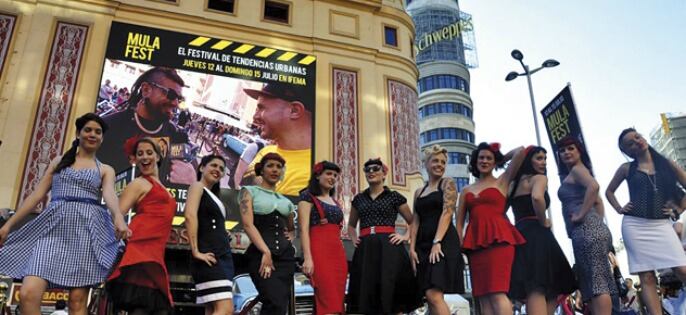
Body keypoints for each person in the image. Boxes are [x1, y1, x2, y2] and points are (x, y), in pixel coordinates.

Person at [0, 113, 129, 315]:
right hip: (52, 231)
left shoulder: (105, 169)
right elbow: (36, 196)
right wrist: (8, 225)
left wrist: (118, 218)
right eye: (88, 130)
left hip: (86, 235)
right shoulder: (59, 162)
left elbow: (110, 195)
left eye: (98, 132)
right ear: (78, 133)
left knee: (77, 303)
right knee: (28, 293)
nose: (92, 134)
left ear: (102, 138)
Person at [605, 128, 686, 315]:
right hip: (635, 225)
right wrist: (618, 208)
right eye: (630, 143)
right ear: (628, 151)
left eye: (637, 137)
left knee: (681, 269)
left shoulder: (666, 164)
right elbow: (609, 191)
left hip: (662, 224)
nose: (637, 141)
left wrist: (679, 209)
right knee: (647, 276)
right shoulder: (627, 169)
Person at [107, 137, 176, 314]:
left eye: (149, 152)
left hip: (155, 252)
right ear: (135, 160)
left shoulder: (161, 186)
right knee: (142, 307)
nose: (145, 157)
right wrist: (122, 228)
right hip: (140, 250)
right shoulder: (138, 183)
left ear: (158, 157)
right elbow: (116, 213)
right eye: (140, 154)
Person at [456, 142, 526, 315]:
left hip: (500, 240)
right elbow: (458, 222)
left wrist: (500, 157)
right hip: (475, 244)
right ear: (475, 161)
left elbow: (520, 151)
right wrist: (459, 245)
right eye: (481, 157)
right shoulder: (466, 190)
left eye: (489, 158)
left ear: (494, 162)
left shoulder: (503, 181)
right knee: (482, 296)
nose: (485, 161)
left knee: (497, 292)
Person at [347, 158, 422, 314]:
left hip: (390, 249)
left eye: (375, 169)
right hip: (366, 249)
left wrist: (405, 236)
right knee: (367, 292)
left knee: (392, 291)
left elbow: (413, 221)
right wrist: (354, 239)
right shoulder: (358, 199)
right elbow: (351, 225)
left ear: (384, 174)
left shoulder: (394, 196)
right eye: (367, 169)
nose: (371, 172)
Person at [508, 146, 577, 315]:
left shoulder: (513, 185)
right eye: (539, 158)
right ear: (528, 160)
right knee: (539, 285)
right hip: (538, 233)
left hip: (519, 235)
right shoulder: (539, 178)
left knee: (541, 284)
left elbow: (502, 208)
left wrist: (502, 159)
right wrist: (543, 219)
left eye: (545, 158)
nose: (544, 162)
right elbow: (537, 197)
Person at [99, 67, 195, 185]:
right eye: (171, 94)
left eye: (178, 98)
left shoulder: (175, 135)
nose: (175, 103)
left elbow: (179, 170)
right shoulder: (108, 127)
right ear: (146, 90)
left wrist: (189, 180)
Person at [557, 136, 616, 315]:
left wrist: (582, 215)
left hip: (587, 229)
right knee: (594, 280)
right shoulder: (576, 172)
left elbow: (594, 186)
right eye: (562, 150)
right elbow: (598, 202)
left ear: (579, 151)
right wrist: (595, 221)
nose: (566, 152)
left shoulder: (577, 170)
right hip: (590, 229)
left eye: (571, 148)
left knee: (597, 282)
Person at [238, 152, 296, 315]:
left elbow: (291, 228)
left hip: (285, 259)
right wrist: (266, 251)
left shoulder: (287, 202)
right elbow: (248, 224)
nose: (275, 169)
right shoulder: (248, 191)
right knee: (272, 300)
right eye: (270, 165)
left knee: (280, 306)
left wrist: (291, 236)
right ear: (261, 170)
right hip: (260, 254)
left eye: (279, 167)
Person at [411, 145, 465, 315]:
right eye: (435, 160)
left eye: (443, 162)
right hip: (423, 247)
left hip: (442, 243)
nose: (439, 165)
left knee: (434, 294)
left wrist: (437, 241)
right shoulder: (419, 191)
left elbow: (448, 212)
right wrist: (412, 249)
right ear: (426, 164)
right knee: (429, 296)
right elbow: (415, 221)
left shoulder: (447, 183)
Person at [239, 83, 313, 196]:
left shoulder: (309, 175)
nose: (255, 117)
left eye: (261, 108)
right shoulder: (267, 151)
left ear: (294, 111)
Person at [183, 155, 234, 315]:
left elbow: (206, 220)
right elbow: (189, 216)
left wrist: (223, 231)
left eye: (221, 168)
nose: (217, 170)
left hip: (221, 256)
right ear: (201, 167)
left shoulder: (214, 196)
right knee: (225, 309)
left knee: (212, 309)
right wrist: (195, 251)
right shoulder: (198, 186)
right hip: (210, 256)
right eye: (213, 165)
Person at [298, 161, 347, 315]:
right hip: (319, 254)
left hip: (338, 254)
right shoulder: (307, 196)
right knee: (327, 302)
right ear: (318, 175)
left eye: (335, 175)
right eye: (328, 173)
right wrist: (308, 258)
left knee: (338, 304)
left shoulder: (335, 201)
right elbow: (303, 230)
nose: (332, 177)